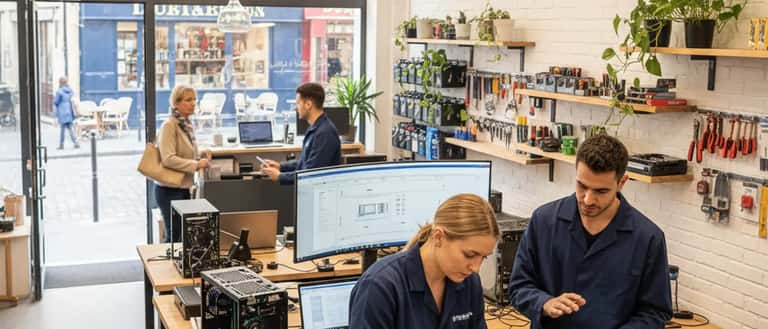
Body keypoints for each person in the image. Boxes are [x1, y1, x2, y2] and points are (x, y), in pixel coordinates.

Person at [508, 135, 672, 329]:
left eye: (601, 191)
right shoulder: (544, 221)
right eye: (582, 186)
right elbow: (519, 287)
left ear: (622, 183)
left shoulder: (648, 238)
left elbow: (655, 312)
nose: (588, 200)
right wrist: (543, 303)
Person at [349, 194, 499, 329]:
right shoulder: (380, 287)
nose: (476, 268)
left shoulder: (470, 283)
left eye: (483, 257)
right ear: (438, 237)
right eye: (469, 254)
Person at [155, 85, 211, 243]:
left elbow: (184, 153)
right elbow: (168, 158)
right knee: (174, 238)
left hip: (183, 188)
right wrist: (196, 164)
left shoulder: (186, 125)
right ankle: (164, 268)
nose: (193, 103)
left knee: (183, 236)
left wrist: (200, 154)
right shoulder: (169, 125)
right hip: (169, 190)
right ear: (176, 103)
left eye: (194, 99)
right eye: (188, 100)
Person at [261, 82, 341, 184]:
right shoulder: (315, 128)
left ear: (308, 104)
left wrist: (280, 177)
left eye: (298, 103)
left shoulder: (325, 134)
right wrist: (280, 166)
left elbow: (310, 174)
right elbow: (306, 163)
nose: (296, 107)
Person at [53, 77, 79, 150]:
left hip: (62, 110)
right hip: (69, 110)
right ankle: (76, 142)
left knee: (62, 129)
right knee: (70, 127)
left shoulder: (59, 91)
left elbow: (56, 102)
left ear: (60, 82)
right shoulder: (69, 91)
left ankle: (61, 145)